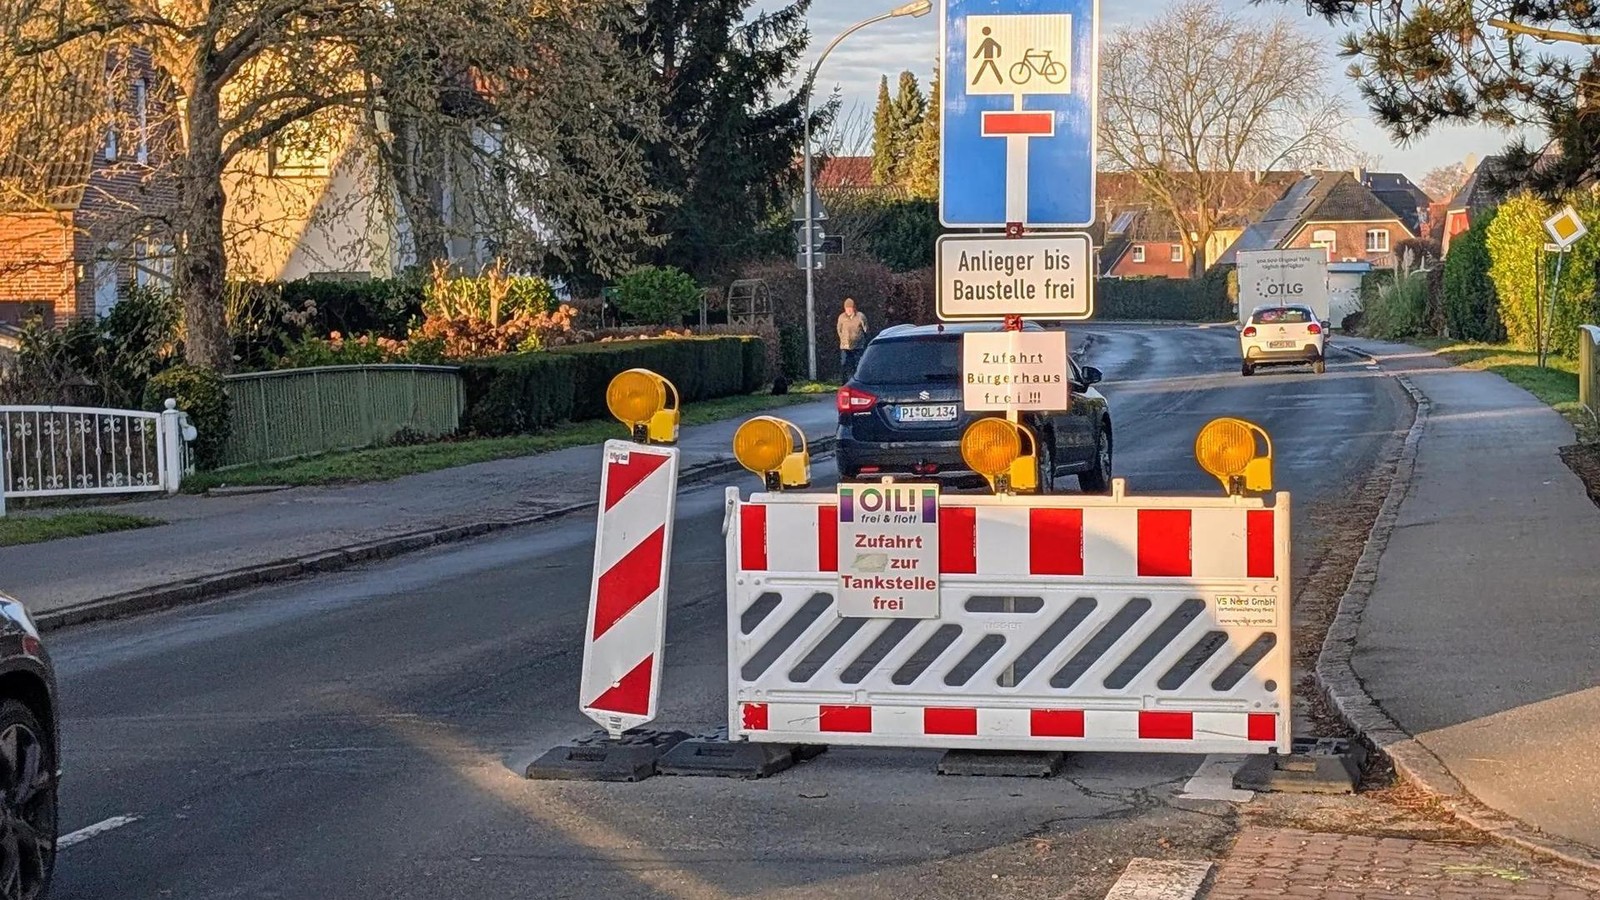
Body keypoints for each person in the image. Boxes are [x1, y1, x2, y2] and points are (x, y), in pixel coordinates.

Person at [837, 298, 869, 380]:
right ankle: (844, 383)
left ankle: (857, 382)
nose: (848, 310)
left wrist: (862, 341)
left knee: (857, 365)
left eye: (850, 308)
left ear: (854, 307)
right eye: (847, 308)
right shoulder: (841, 317)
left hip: (858, 347)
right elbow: (839, 330)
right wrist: (843, 339)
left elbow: (866, 330)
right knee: (844, 364)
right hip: (845, 347)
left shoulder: (860, 316)